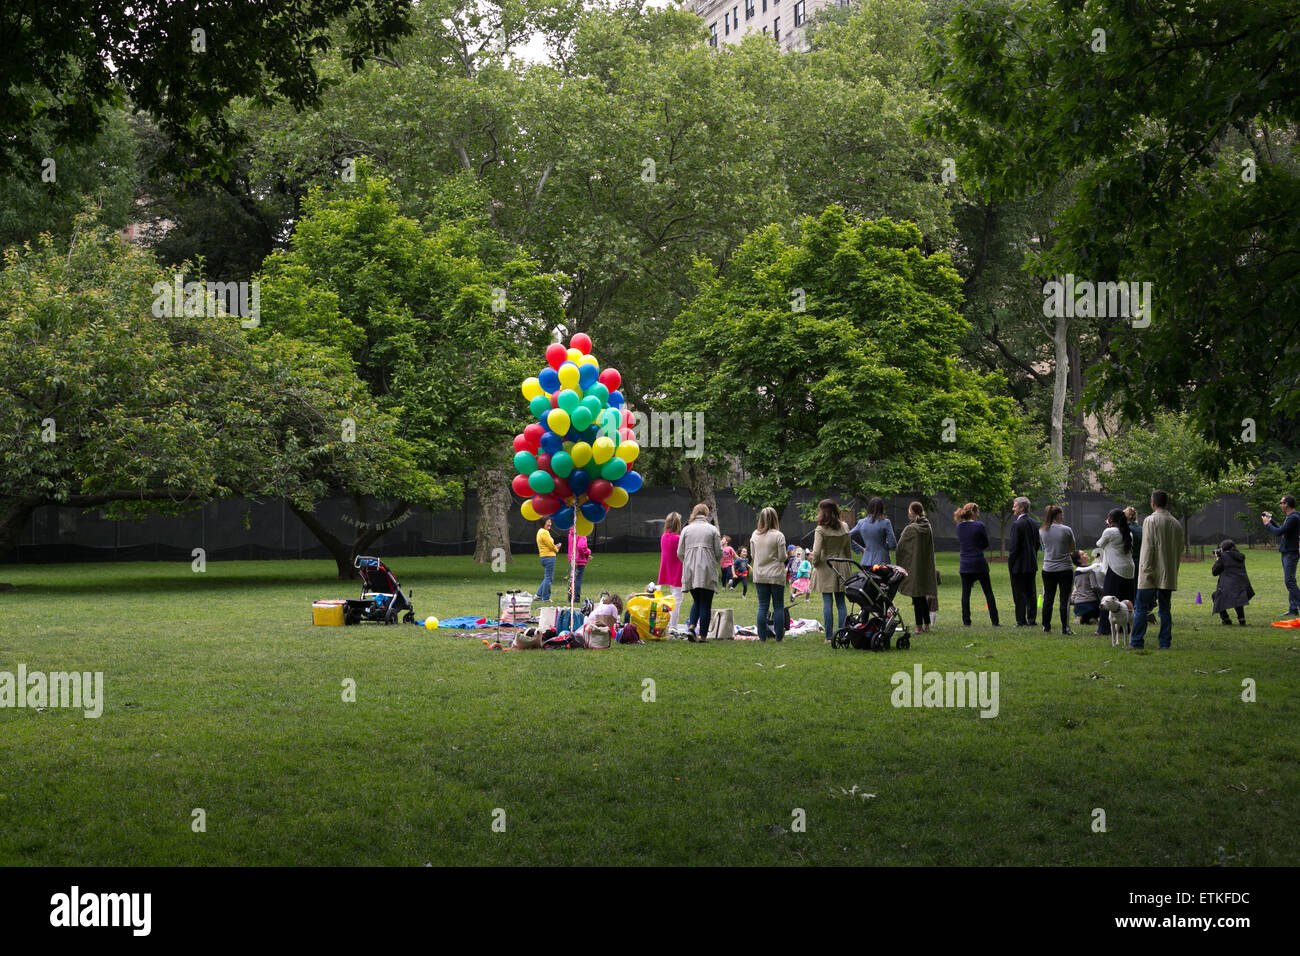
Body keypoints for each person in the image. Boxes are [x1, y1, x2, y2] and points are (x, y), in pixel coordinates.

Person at [1130, 489, 1184, 649]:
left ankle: (1137, 642)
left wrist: (1145, 570)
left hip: (1150, 572)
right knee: (1165, 609)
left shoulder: (1150, 520)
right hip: (1168, 573)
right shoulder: (1176, 523)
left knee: (1141, 608)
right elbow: (1179, 548)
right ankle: (1165, 643)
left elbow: (1148, 547)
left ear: (1152, 502)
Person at [678, 503, 722, 642]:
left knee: (697, 600)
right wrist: (714, 560)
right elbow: (718, 552)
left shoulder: (686, 529)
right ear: (707, 514)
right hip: (707, 567)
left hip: (690, 567)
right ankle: (702, 636)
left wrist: (687, 561)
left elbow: (679, 552)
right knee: (706, 603)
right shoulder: (712, 529)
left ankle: (691, 627)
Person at [811, 499, 852, 641]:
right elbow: (848, 549)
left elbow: (816, 552)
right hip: (842, 564)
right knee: (841, 603)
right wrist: (848, 566)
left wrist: (814, 563)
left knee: (827, 601)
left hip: (826, 566)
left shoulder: (820, 529)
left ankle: (829, 636)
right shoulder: (845, 526)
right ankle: (842, 634)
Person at [954, 502, 999, 626]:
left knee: (965, 594)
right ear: (973, 512)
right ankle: (995, 621)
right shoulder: (979, 525)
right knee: (988, 592)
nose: (978, 514)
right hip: (978, 562)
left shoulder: (959, 527)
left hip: (965, 563)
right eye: (977, 511)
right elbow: (985, 543)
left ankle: (966, 621)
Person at [896, 501, 938, 633]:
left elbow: (900, 547)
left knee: (916, 597)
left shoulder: (911, 528)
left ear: (912, 512)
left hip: (913, 567)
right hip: (925, 567)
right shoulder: (927, 526)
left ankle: (918, 627)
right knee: (922, 596)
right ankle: (927, 625)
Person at [1094, 508, 1136, 638]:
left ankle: (1104, 629)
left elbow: (1099, 544)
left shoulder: (1110, 531)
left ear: (1111, 520)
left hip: (1116, 569)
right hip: (1129, 569)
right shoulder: (1128, 533)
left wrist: (1108, 526)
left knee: (1107, 599)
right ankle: (1126, 628)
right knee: (1126, 600)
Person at [750, 507, 788, 642]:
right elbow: (783, 557)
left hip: (760, 574)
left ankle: (762, 637)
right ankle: (779, 637)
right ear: (775, 519)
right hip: (776, 575)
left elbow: (753, 555)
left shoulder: (755, 534)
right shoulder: (778, 535)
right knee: (778, 606)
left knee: (762, 606)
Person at [1039, 505, 1076, 634]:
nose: (1063, 516)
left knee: (1048, 598)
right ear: (1058, 515)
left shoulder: (1042, 530)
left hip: (1048, 568)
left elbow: (1043, 547)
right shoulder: (1066, 530)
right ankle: (1065, 628)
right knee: (1064, 599)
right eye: (1062, 514)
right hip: (1064, 568)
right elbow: (1072, 549)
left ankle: (1046, 626)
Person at [1262, 494, 1300, 619]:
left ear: (1286, 504)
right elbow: (1281, 529)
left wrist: (1267, 524)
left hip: (1291, 552)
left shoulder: (1293, 518)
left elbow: (1278, 532)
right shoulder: (1291, 517)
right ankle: (1293, 609)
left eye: (1281, 502)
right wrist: (1271, 520)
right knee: (1291, 580)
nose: (1280, 505)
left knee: (1289, 581)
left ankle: (1295, 606)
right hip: (1288, 551)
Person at [1007, 496, 1041, 627]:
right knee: (1031, 592)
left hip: (1019, 565)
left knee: (1019, 593)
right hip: (1031, 563)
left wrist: (1011, 563)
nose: (1013, 508)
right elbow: (1037, 543)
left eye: (1014, 506)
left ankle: (1020, 620)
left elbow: (1014, 548)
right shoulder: (1034, 523)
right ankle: (1032, 619)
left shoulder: (1017, 524)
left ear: (1021, 508)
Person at [1211, 539, 1254, 626]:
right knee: (1237, 597)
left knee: (1215, 596)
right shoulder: (1240, 556)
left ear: (1223, 548)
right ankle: (1242, 619)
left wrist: (1218, 559)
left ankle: (1226, 619)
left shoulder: (1224, 557)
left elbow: (1214, 572)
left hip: (1229, 586)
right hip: (1243, 585)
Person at [657, 512, 684, 632]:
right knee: (677, 599)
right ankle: (673, 625)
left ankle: (670, 623)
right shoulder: (678, 538)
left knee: (674, 597)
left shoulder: (664, 537)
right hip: (677, 571)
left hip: (668, 570)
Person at [850, 497, 896, 567]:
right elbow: (892, 545)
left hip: (865, 562)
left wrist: (860, 549)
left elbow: (846, 537)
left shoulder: (861, 522)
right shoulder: (886, 522)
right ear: (881, 508)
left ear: (869, 507)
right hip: (882, 562)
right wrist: (883, 545)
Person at [1070, 550, 1104, 625]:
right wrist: (1103, 590)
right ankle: (1092, 618)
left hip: (1078, 605)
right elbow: (1094, 587)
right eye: (1083, 554)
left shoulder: (1076, 572)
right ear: (1079, 560)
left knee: (1083, 614)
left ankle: (1079, 616)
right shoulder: (1090, 571)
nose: (1086, 554)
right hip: (1091, 604)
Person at [534, 517, 563, 602]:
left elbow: (548, 545)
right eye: (548, 522)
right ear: (543, 523)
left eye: (550, 522)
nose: (550, 524)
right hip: (548, 557)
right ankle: (546, 598)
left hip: (544, 557)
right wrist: (557, 548)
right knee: (549, 578)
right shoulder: (544, 532)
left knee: (547, 578)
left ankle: (538, 595)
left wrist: (555, 546)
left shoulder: (540, 531)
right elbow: (551, 546)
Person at [567, 527, 592, 603]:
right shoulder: (581, 534)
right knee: (577, 579)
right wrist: (588, 552)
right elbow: (581, 546)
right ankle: (576, 598)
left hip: (572, 559)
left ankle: (570, 597)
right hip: (579, 560)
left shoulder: (571, 533)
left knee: (572, 578)